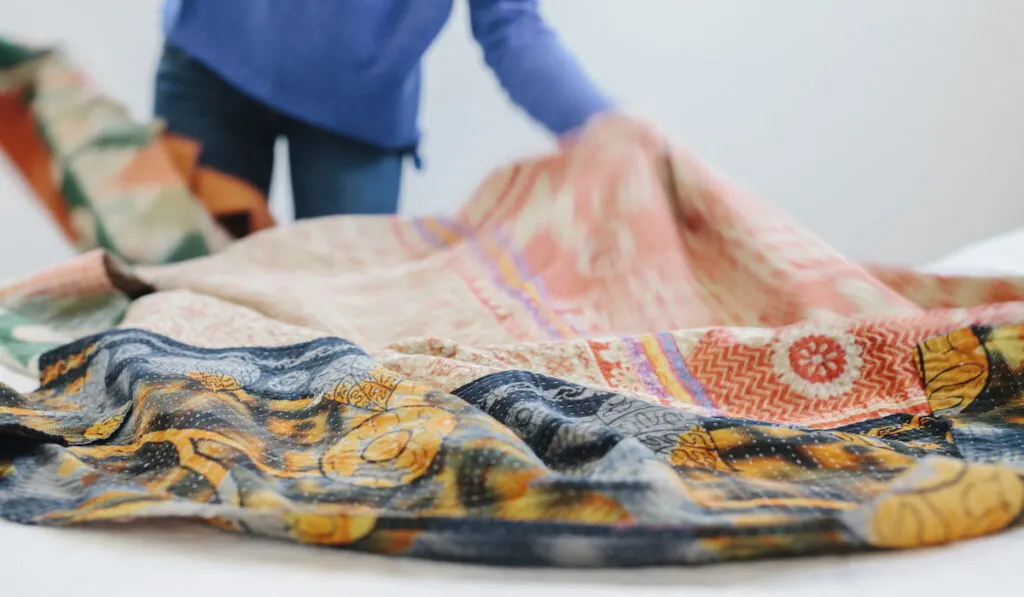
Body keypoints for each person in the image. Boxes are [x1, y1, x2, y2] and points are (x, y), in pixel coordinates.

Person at [156, 0, 613, 223]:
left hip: (357, 118)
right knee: (180, 309)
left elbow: (511, 26)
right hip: (208, 68)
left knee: (338, 339)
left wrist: (609, 132)